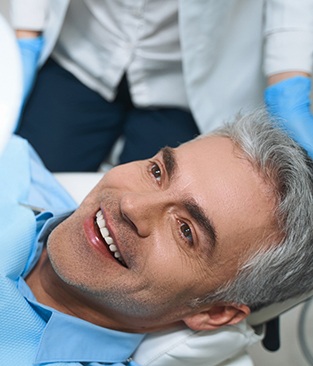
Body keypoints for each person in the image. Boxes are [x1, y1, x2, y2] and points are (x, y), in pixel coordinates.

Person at [2, 109, 313, 365]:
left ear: (214, 313)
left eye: (186, 230)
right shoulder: (13, 163)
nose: (131, 204)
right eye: (157, 173)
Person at [10, 0, 313, 171]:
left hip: (186, 82)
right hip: (83, 48)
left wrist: (289, 75)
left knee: (153, 230)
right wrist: (26, 32)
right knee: (23, 184)